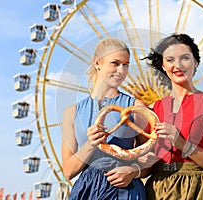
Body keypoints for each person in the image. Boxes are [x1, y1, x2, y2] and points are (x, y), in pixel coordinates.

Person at [140, 33, 203, 199]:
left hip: (197, 189)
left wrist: (182, 143)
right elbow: (145, 170)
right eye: (170, 60)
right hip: (158, 190)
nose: (178, 65)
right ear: (162, 65)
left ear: (195, 62)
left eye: (185, 58)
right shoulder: (151, 110)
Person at [61, 38, 148, 200]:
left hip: (125, 189)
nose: (121, 71)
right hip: (87, 190)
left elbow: (151, 160)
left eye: (126, 65)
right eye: (115, 63)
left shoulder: (136, 107)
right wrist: (91, 143)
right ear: (97, 63)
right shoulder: (72, 113)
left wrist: (133, 171)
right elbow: (68, 171)